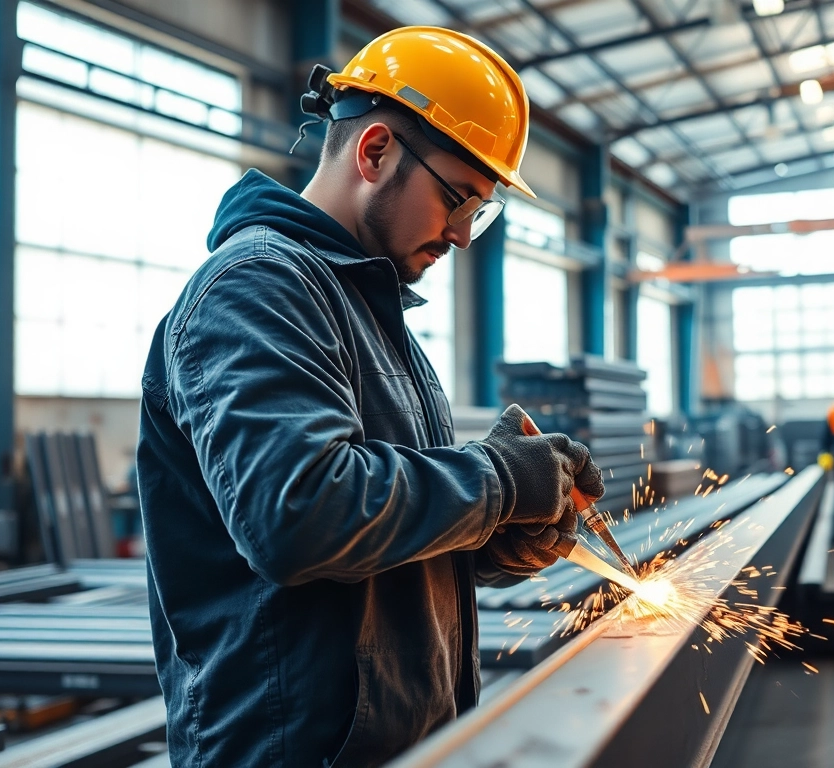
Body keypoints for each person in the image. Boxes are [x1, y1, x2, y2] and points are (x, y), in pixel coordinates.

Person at [135, 27, 603, 766]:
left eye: (479, 211)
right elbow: (299, 516)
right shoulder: (257, 289)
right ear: (375, 151)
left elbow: (374, 546)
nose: (460, 234)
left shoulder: (376, 316)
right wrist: (499, 479)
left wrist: (498, 535)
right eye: (457, 198)